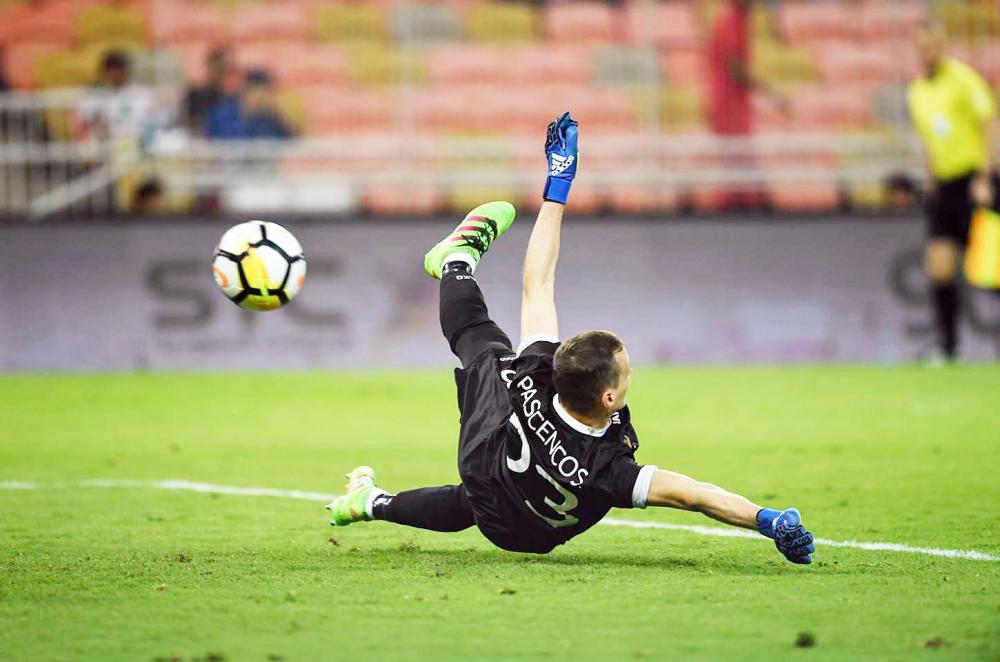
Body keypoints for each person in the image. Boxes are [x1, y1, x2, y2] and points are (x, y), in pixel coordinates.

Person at [325, 112, 816, 564]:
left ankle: (456, 264)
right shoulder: (610, 467)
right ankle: (371, 503)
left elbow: (537, 282)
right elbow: (696, 495)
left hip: (487, 464)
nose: (630, 374)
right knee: (478, 473)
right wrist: (767, 521)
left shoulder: (535, 377)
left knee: (482, 343)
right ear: (608, 396)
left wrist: (558, 187)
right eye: (626, 372)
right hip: (527, 534)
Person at [907, 21, 999, 360]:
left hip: (974, 182)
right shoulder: (916, 91)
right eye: (920, 46)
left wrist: (984, 177)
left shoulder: (964, 79)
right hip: (945, 186)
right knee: (939, 266)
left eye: (931, 45)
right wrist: (929, 176)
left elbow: (987, 125)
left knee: (990, 269)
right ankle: (949, 349)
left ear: (942, 45)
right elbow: (929, 138)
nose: (925, 52)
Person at [706, 0, 788, 211]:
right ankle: (753, 203)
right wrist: (771, 93)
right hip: (728, 104)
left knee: (738, 161)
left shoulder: (738, 22)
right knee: (739, 159)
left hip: (732, 103)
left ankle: (754, 200)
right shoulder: (731, 22)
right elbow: (736, 69)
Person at [75, 50, 157, 141]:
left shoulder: (142, 95)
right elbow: (82, 124)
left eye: (118, 69)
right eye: (111, 69)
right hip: (105, 146)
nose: (115, 74)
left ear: (126, 70)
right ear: (104, 72)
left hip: (137, 143)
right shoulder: (93, 97)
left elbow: (152, 123)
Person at [205, 69, 294, 140]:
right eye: (256, 91)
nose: (260, 98)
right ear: (246, 91)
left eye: (265, 93)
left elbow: (291, 141)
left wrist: (274, 116)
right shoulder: (223, 114)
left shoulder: (270, 118)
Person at [182, 47, 233, 135]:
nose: (218, 72)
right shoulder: (196, 94)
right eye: (216, 66)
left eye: (222, 68)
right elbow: (188, 121)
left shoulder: (231, 96)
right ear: (209, 66)